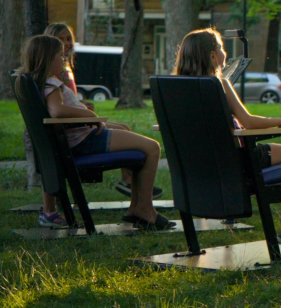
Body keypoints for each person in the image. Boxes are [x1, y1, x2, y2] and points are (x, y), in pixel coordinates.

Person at [16, 34, 171, 230]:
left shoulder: (41, 83)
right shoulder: (52, 83)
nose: (64, 60)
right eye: (60, 56)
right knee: (152, 148)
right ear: (47, 59)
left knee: (138, 148)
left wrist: (85, 112)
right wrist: (90, 117)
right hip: (85, 141)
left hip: (79, 139)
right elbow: (57, 111)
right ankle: (145, 210)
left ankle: (137, 208)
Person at [173, 28, 281, 248]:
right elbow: (249, 122)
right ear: (213, 56)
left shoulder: (175, 88)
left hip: (197, 168)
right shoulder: (218, 84)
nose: (225, 53)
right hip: (236, 164)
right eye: (222, 48)